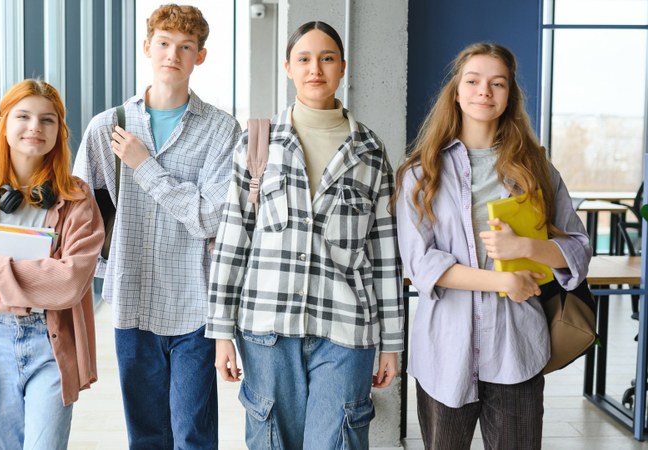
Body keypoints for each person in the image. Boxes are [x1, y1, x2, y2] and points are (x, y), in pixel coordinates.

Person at [207, 21, 404, 449]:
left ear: (343, 67)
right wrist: (221, 332)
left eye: (327, 58)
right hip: (267, 330)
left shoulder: (370, 151)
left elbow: (385, 255)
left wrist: (392, 343)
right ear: (288, 68)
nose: (316, 68)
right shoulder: (257, 142)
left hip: (346, 330)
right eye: (304, 59)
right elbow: (233, 239)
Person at [394, 43, 592, 450]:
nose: (484, 91)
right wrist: (502, 282)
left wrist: (526, 247)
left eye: (497, 83)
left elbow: (578, 248)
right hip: (445, 354)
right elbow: (420, 264)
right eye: (473, 81)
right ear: (456, 92)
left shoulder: (537, 169)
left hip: (516, 349)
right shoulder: (421, 173)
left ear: (509, 95)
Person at [72, 4, 241, 449]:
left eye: (186, 47)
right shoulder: (107, 128)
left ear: (200, 56)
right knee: (146, 437)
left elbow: (208, 218)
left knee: (193, 436)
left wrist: (143, 166)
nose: (173, 55)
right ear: (147, 47)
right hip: (132, 301)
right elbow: (80, 212)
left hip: (194, 304)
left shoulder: (222, 131)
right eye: (164, 43)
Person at [0, 79, 104, 449]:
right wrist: (33, 289)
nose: (35, 127)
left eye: (47, 119)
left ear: (59, 131)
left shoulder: (77, 199)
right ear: (4, 124)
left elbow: (70, 284)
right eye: (23, 116)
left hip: (51, 342)